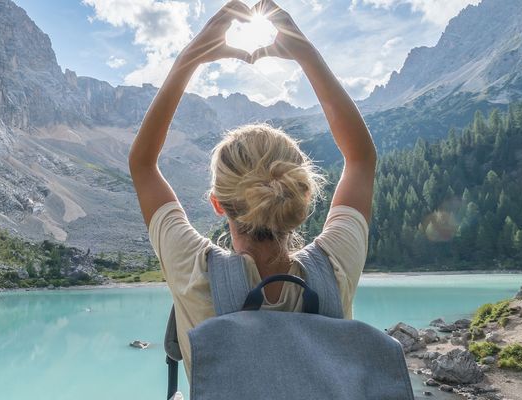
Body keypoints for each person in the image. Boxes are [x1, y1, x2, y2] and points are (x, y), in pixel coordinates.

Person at [128, 0, 377, 378]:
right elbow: (360, 158)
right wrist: (305, 53)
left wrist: (190, 58)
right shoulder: (335, 265)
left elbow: (142, 164)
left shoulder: (195, 272)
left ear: (216, 204)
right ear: (305, 198)